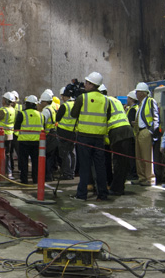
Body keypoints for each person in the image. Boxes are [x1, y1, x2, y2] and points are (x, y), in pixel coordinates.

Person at [70, 72, 111, 201]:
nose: (85, 85)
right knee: (100, 167)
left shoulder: (83, 98)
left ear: (92, 84)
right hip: (99, 138)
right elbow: (108, 117)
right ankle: (102, 194)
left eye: (87, 82)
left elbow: (73, 114)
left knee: (85, 167)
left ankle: (82, 195)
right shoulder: (106, 100)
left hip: (84, 137)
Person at [106, 91, 135, 196]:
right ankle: (119, 187)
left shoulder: (103, 101)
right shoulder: (115, 100)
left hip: (117, 132)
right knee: (124, 163)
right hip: (127, 130)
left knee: (118, 163)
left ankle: (116, 189)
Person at [134, 82, 160, 186]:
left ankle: (148, 178)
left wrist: (150, 131)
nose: (136, 94)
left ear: (142, 93)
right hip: (138, 131)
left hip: (145, 131)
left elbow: (155, 117)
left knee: (146, 157)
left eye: (137, 92)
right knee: (139, 157)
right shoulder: (139, 105)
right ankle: (141, 178)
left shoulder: (150, 101)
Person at [15, 95, 43, 184]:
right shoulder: (41, 115)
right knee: (36, 162)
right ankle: (36, 180)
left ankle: (24, 180)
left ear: (26, 104)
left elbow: (16, 128)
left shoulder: (22, 114)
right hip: (36, 142)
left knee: (24, 162)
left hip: (24, 142)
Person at [55, 86, 77, 180]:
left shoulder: (65, 106)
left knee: (65, 154)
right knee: (72, 153)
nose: (62, 98)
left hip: (64, 132)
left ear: (65, 96)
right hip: (74, 132)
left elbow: (57, 118)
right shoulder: (76, 104)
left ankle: (67, 174)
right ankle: (71, 172)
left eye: (62, 96)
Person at [39, 90, 59, 181]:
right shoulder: (52, 109)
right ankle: (50, 174)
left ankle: (47, 176)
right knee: (51, 157)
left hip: (48, 136)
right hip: (53, 134)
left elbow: (41, 122)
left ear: (45, 102)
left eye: (42, 102)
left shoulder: (46, 111)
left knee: (46, 156)